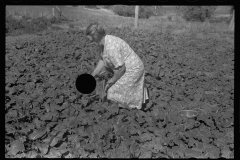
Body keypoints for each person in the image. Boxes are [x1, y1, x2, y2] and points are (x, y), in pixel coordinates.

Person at [85, 22, 148, 109]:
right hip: (125, 69)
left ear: (94, 35)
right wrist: (92, 75)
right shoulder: (102, 43)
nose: (88, 39)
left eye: (88, 36)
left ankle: (128, 110)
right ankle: (129, 106)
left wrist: (111, 81)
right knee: (116, 89)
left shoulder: (111, 46)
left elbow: (121, 69)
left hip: (133, 69)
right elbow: (102, 60)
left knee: (112, 92)